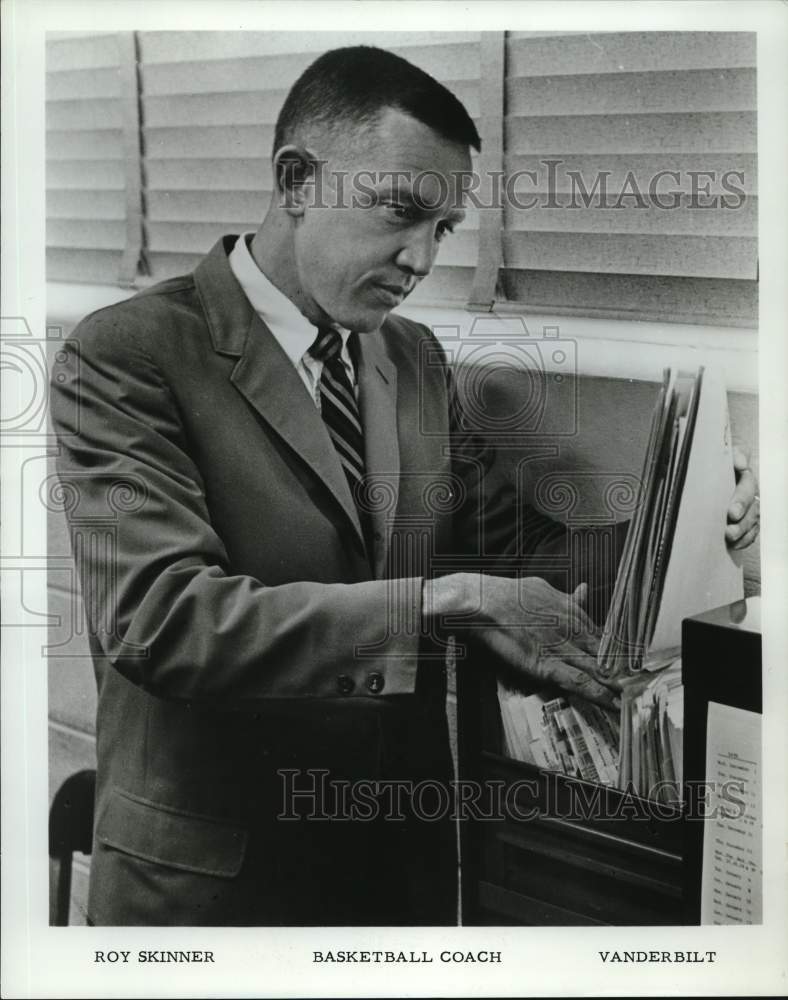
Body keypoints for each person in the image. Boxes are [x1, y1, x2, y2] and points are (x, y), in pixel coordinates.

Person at [50, 46, 759, 927]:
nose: (422, 258)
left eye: (444, 230)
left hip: (395, 876)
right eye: (400, 212)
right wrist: (445, 603)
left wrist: (680, 524)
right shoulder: (126, 354)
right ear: (297, 180)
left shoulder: (411, 360)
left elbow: (515, 556)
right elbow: (161, 621)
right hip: (213, 892)